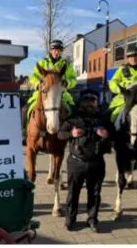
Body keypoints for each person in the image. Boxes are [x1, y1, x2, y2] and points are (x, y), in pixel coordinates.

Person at [57, 89, 113, 233]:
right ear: (81, 102)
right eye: (86, 101)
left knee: (94, 192)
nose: (89, 104)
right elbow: (59, 134)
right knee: (73, 192)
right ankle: (70, 218)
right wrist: (71, 133)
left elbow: (113, 136)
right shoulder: (72, 118)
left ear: (96, 103)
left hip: (96, 161)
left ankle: (92, 219)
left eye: (92, 101)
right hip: (76, 162)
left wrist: (106, 134)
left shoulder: (103, 119)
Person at [23, 40, 77, 135]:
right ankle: (24, 132)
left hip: (61, 94)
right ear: (51, 51)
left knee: (74, 110)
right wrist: (37, 84)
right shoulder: (42, 63)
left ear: (61, 52)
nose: (56, 52)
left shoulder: (66, 65)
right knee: (25, 109)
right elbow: (33, 76)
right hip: (43, 93)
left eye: (59, 50)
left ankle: (72, 135)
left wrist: (67, 82)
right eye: (54, 50)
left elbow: (73, 79)